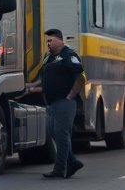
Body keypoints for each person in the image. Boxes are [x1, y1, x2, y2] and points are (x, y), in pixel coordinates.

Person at [26, 28, 85, 179]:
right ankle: (73, 162)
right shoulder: (49, 57)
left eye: (50, 40)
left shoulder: (69, 55)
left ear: (59, 40)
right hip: (51, 103)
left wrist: (70, 96)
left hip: (65, 102)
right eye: (47, 41)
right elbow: (45, 78)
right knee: (54, 132)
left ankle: (59, 169)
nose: (48, 43)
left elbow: (80, 78)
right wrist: (33, 87)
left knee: (61, 134)